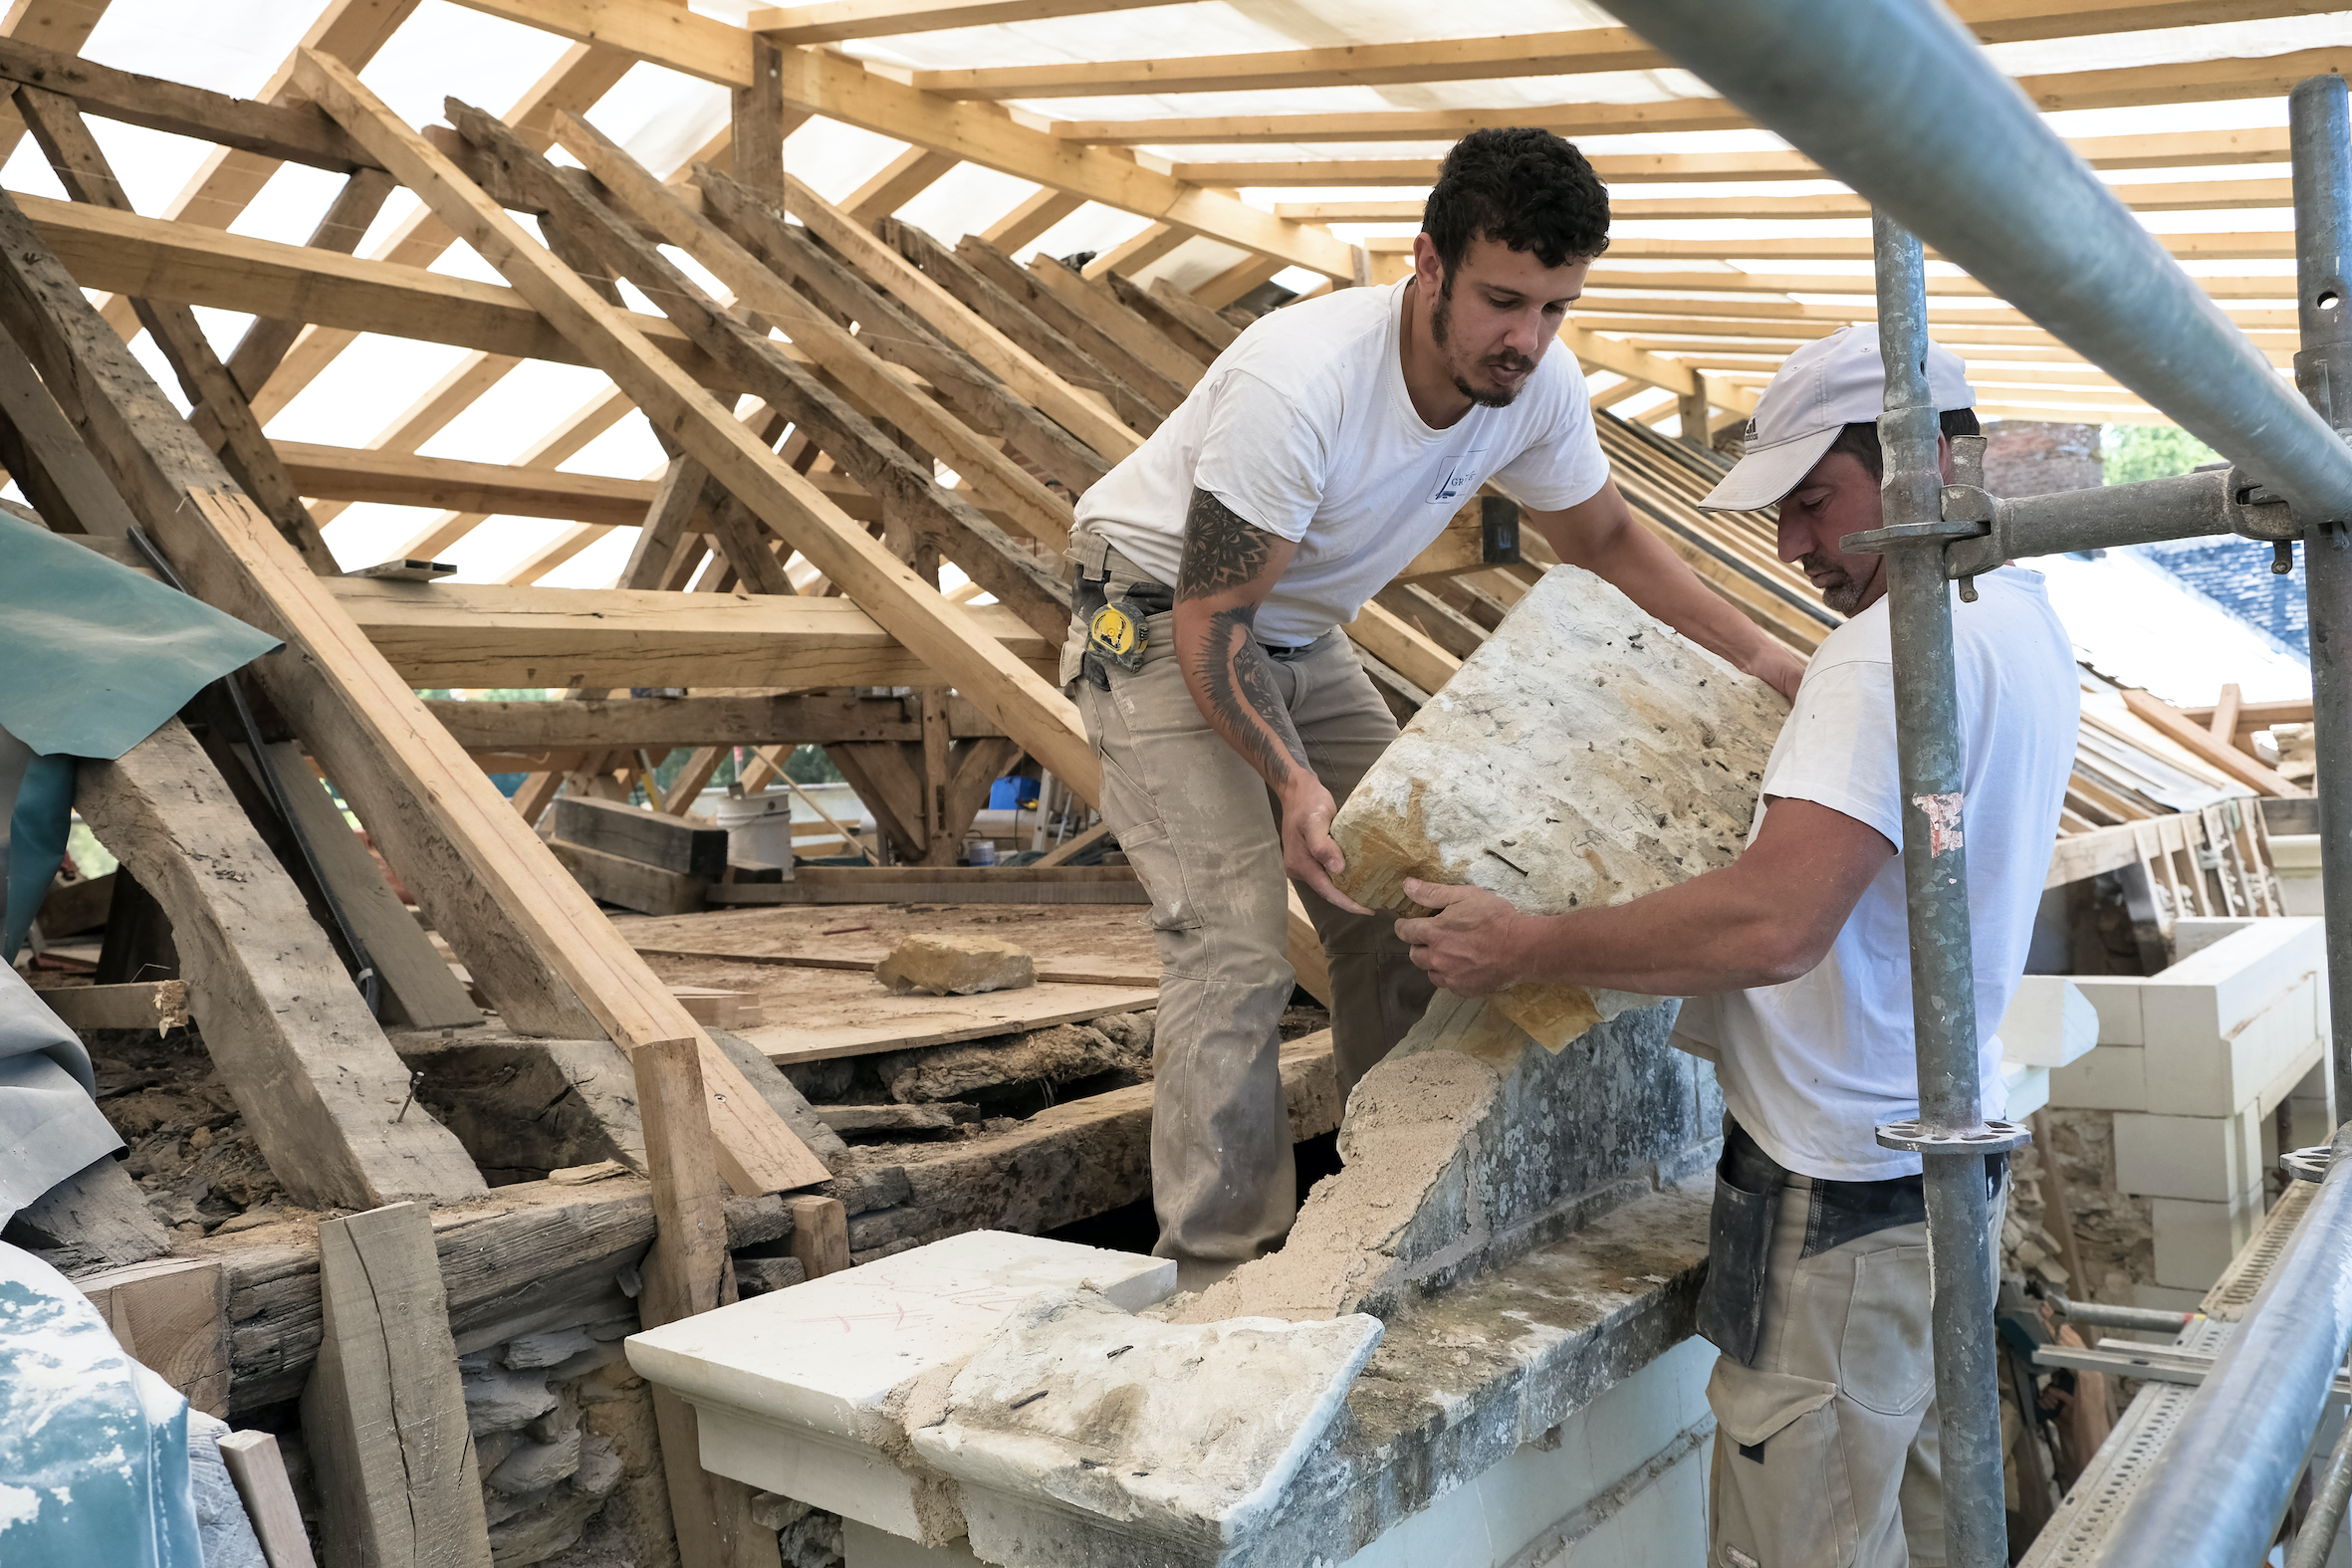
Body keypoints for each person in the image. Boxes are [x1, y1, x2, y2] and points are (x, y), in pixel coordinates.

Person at [1060, 125, 1808, 1292]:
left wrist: (1764, 656)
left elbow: (1603, 535)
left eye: (1555, 308)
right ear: (1427, 263)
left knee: (1414, 896)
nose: (1526, 339)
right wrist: (1294, 779)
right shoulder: (1297, 381)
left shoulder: (1535, 383)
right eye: (1504, 301)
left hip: (1299, 629)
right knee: (1235, 943)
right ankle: (1217, 1273)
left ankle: (1376, 1220)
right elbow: (1211, 620)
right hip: (1158, 619)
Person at [1395, 325, 2080, 1568]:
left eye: (1814, 503)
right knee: (1928, 1526)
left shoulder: (1884, 658)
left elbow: (1775, 920)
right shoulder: (2013, 614)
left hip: (1842, 1193)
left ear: (1925, 462)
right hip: (1928, 1173)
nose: (1793, 547)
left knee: (1799, 1541)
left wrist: (1530, 942)